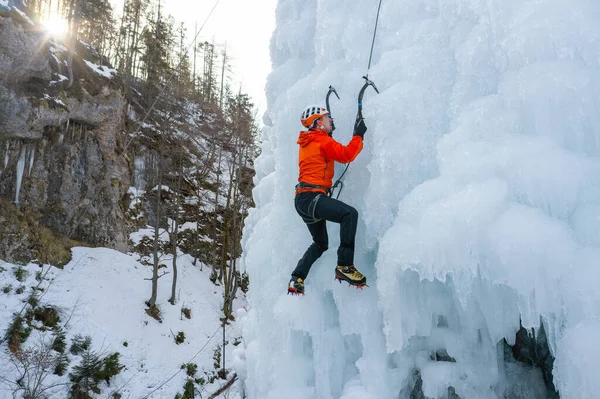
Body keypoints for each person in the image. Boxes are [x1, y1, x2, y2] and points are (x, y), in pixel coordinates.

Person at [288, 104, 368, 295]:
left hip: (303, 201)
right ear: (318, 123)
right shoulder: (321, 141)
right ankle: (345, 266)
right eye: (326, 118)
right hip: (312, 197)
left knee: (320, 244)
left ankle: (297, 278)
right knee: (349, 214)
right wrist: (358, 135)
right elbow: (346, 155)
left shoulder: (309, 142)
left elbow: (322, 156)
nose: (331, 119)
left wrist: (329, 136)